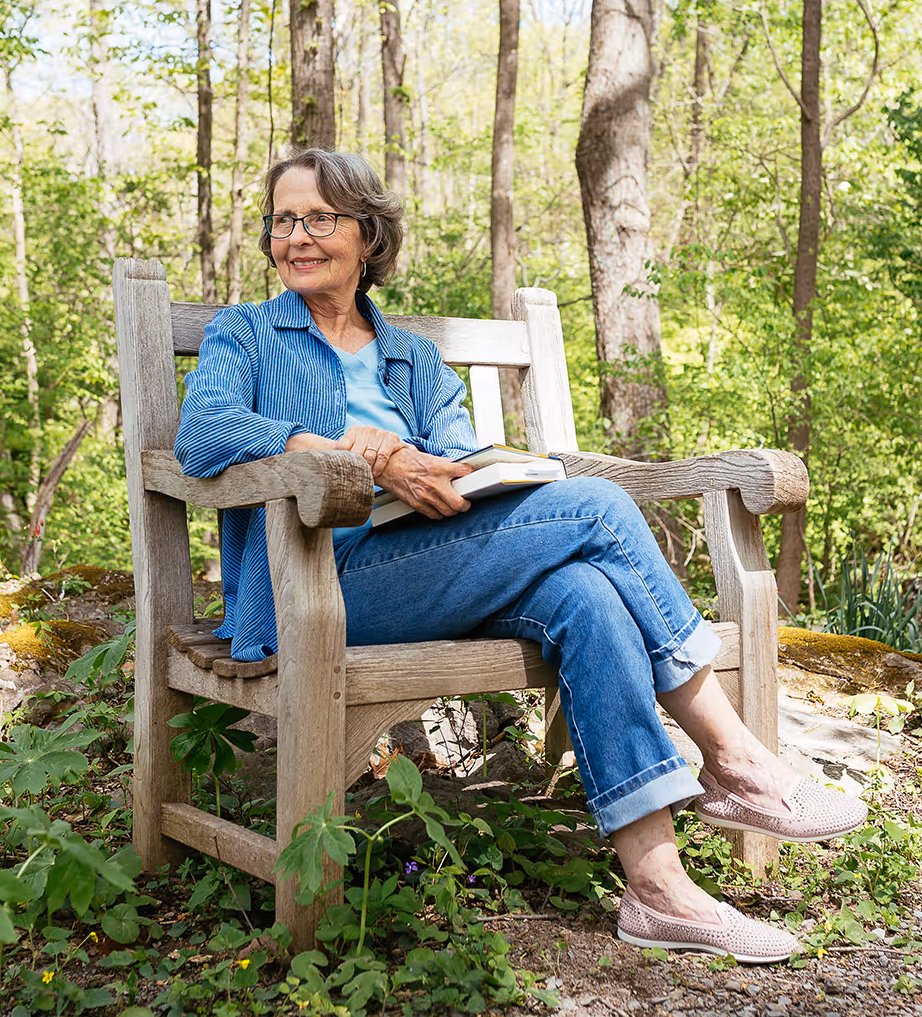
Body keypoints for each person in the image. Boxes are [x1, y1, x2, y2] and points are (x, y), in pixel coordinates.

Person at [175, 149, 866, 963]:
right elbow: (202, 432)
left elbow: (464, 458)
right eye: (283, 221)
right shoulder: (246, 333)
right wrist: (338, 450)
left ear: (367, 236)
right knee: (602, 509)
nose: (297, 237)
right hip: (316, 587)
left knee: (587, 593)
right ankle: (736, 758)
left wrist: (446, 467)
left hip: (435, 563)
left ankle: (659, 891)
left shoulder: (413, 359)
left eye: (319, 218)